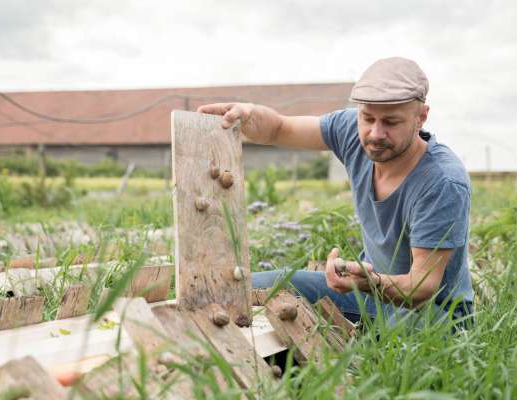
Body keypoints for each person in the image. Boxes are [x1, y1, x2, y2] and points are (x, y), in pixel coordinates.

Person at [198, 57, 474, 328]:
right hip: (371, 296)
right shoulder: (351, 131)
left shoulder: (442, 182)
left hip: (433, 315)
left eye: (391, 122)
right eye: (367, 118)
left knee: (384, 339)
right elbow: (281, 128)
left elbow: (422, 287)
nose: (375, 133)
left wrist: (371, 282)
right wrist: (249, 114)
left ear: (421, 117)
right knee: (256, 287)